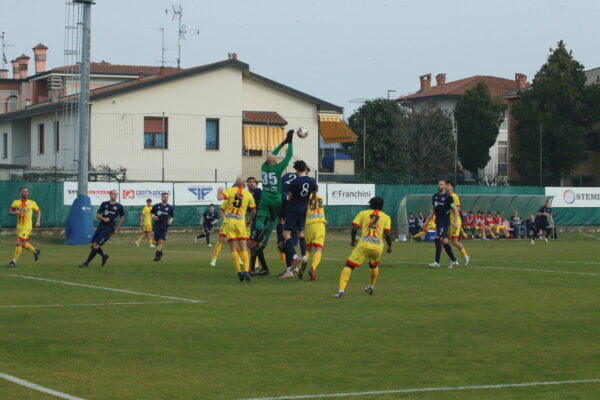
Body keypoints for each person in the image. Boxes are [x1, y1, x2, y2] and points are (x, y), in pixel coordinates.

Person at [333, 197, 392, 299]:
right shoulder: (386, 217)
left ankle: (341, 291)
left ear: (370, 205)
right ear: (382, 206)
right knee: (373, 265)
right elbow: (387, 234)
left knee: (349, 266)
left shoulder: (363, 213)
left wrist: (352, 240)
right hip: (378, 246)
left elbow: (354, 228)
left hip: (364, 245)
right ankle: (371, 286)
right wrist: (390, 246)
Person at [254, 129, 295, 250]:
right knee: (273, 219)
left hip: (265, 197)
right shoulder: (278, 168)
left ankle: (262, 229)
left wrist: (282, 143)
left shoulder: (263, 167)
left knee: (260, 219)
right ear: (275, 161)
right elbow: (289, 156)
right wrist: (290, 142)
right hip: (276, 198)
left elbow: (272, 154)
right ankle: (266, 241)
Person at [211, 176, 256, 282]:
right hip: (240, 223)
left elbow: (220, 198)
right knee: (244, 247)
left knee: (233, 248)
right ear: (244, 185)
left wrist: (219, 192)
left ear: (235, 184)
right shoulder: (248, 194)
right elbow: (254, 210)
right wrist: (249, 220)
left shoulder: (230, 190)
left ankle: (239, 272)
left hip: (230, 222)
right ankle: (246, 270)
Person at [280, 160, 317, 279]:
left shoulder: (295, 182)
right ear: (305, 168)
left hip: (292, 209)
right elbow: (314, 196)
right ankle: (304, 257)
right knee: (300, 233)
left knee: (286, 234)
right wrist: (308, 202)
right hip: (303, 209)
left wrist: (286, 198)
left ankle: (294, 256)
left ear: (296, 169)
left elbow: (289, 198)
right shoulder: (312, 181)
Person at [78, 190, 124, 268]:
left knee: (95, 245)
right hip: (101, 227)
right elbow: (97, 215)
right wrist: (103, 218)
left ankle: (87, 263)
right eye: (114, 194)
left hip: (108, 229)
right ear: (110, 195)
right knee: (92, 245)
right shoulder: (104, 204)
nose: (115, 195)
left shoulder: (119, 206)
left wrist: (117, 228)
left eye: (116, 194)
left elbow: (122, 217)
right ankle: (104, 255)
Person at [423, 180, 460, 268]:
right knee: (444, 241)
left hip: (445, 222)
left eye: (441, 184)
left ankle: (437, 262)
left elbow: (455, 210)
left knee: (437, 239)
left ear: (445, 186)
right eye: (438, 184)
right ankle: (454, 260)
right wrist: (426, 221)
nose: (439, 185)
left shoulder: (448, 197)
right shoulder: (435, 197)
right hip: (438, 222)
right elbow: (433, 210)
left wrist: (455, 222)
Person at [7, 187, 41, 268]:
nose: (26, 193)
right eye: (24, 192)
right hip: (19, 226)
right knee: (23, 244)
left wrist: (37, 221)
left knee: (18, 243)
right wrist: (16, 212)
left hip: (27, 226)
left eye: (27, 192)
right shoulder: (16, 202)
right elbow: (10, 212)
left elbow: (38, 211)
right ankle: (35, 251)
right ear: (20, 193)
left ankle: (13, 262)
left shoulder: (32, 203)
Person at [246, 177, 269, 275]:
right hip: (255, 221)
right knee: (255, 245)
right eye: (249, 182)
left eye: (253, 182)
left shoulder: (258, 191)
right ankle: (264, 269)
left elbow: (264, 203)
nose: (251, 183)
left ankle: (252, 269)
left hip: (260, 220)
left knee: (251, 244)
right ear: (247, 184)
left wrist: (252, 204)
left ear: (256, 184)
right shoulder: (248, 195)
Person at [445, 180, 469, 265]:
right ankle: (453, 258)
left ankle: (465, 256)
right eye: (446, 185)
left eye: (448, 185)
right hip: (448, 221)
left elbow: (457, 209)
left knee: (454, 242)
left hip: (454, 221)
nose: (446, 186)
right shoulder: (445, 196)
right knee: (444, 240)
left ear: (452, 187)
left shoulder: (454, 196)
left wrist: (454, 222)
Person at [304, 191, 326, 281]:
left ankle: (303, 264)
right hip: (320, 224)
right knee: (318, 249)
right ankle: (313, 268)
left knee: (308, 248)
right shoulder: (320, 198)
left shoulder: (305, 198)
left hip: (309, 224)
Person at [151, 192, 174, 261]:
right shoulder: (156, 206)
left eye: (167, 197)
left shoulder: (170, 207)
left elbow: (172, 216)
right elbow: (151, 213)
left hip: (164, 227)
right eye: (164, 197)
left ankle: (157, 256)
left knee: (161, 241)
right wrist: (154, 216)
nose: (165, 198)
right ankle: (160, 252)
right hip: (157, 226)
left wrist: (170, 221)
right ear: (161, 197)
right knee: (157, 242)